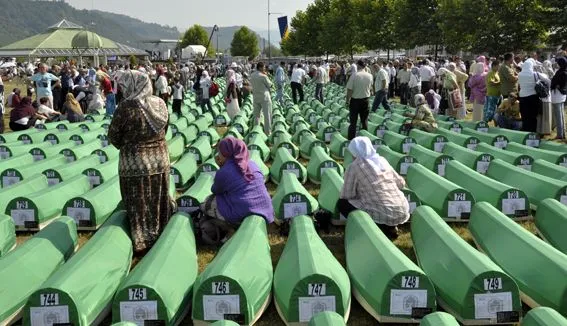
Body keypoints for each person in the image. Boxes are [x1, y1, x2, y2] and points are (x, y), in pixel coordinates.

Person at [108, 70, 172, 255]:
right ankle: (161, 234)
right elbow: (165, 129)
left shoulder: (126, 107)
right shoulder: (159, 103)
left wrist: (128, 146)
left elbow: (114, 135)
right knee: (157, 198)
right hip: (160, 159)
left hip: (135, 162)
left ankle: (142, 239)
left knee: (138, 201)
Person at [199, 137, 274, 243]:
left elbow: (215, 190)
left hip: (244, 211)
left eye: (220, 153)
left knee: (207, 203)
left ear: (227, 154)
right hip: (264, 209)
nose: (218, 156)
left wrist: (221, 167)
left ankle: (231, 228)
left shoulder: (225, 171)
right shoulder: (253, 164)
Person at [338, 136, 410, 240]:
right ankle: (391, 227)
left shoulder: (354, 166)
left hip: (382, 212)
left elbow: (347, 195)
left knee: (342, 204)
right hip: (402, 210)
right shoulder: (382, 160)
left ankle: (378, 228)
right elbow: (401, 183)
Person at [518, 59, 550, 132]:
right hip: (533, 97)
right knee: (533, 116)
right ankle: (533, 132)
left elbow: (519, 84)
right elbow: (547, 80)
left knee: (524, 116)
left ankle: (525, 131)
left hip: (522, 97)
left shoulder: (520, 74)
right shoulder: (535, 74)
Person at [346, 60, 373, 140]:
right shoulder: (370, 76)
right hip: (366, 100)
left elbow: (349, 90)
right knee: (364, 121)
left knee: (353, 123)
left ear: (358, 66)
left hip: (355, 101)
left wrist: (347, 100)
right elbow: (370, 87)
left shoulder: (354, 75)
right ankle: (365, 140)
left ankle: (351, 140)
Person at [250, 62, 273, 135]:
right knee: (267, 115)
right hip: (264, 97)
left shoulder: (252, 75)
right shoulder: (263, 76)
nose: (265, 69)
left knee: (256, 115)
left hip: (256, 96)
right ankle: (267, 132)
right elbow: (270, 85)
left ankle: (256, 131)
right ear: (260, 68)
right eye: (263, 67)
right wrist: (266, 75)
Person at [551, 57, 567, 139]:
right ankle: (562, 133)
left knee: (559, 116)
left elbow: (559, 84)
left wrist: (556, 85)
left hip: (558, 96)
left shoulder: (562, 72)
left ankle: (560, 135)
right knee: (561, 115)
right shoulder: (563, 71)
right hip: (561, 96)